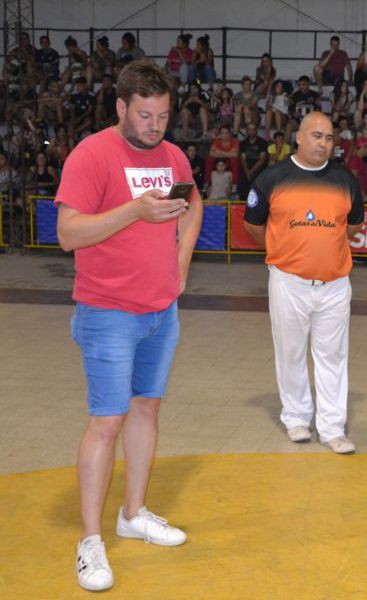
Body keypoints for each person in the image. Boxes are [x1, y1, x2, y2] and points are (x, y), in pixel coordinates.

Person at [54, 59, 202, 592]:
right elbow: (69, 233)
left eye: (162, 115)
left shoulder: (173, 155)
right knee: (107, 421)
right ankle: (90, 541)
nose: (155, 126)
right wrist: (134, 212)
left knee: (146, 409)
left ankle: (132, 513)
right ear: (121, 107)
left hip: (161, 311)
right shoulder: (92, 155)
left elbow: (193, 200)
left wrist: (182, 257)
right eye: (144, 115)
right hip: (108, 311)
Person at [243, 111, 364, 454]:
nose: (323, 143)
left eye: (329, 138)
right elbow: (253, 224)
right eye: (316, 136)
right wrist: (283, 249)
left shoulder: (345, 179)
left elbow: (353, 226)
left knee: (333, 357)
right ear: (298, 137)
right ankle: (296, 418)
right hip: (288, 282)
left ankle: (332, 427)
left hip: (335, 284)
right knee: (291, 351)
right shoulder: (272, 178)